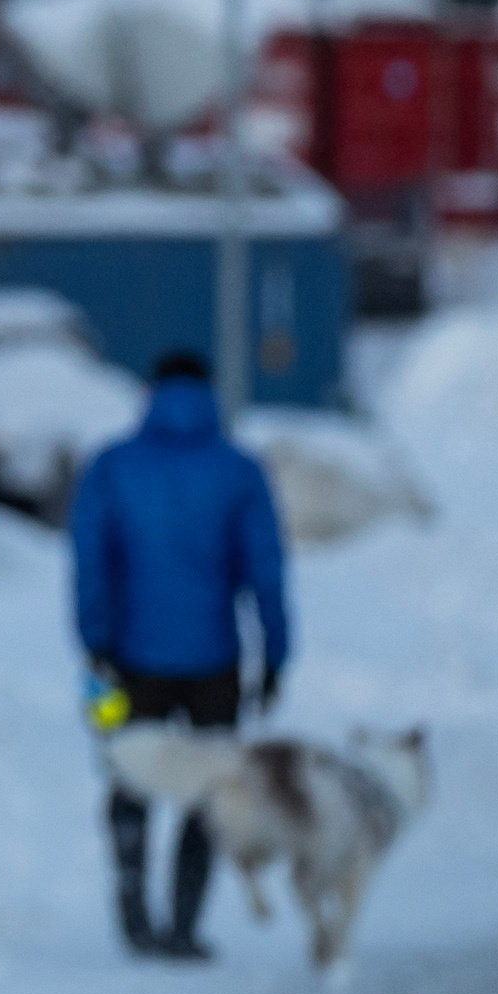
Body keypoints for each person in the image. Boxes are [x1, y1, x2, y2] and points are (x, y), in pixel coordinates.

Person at [71, 347, 293, 961]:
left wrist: (94, 645)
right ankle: (184, 925)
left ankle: (133, 915)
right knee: (207, 785)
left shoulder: (112, 466)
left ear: (151, 390)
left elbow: (90, 564)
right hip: (214, 665)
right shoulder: (239, 469)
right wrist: (273, 657)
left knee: (125, 772)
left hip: (123, 662)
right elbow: (267, 574)